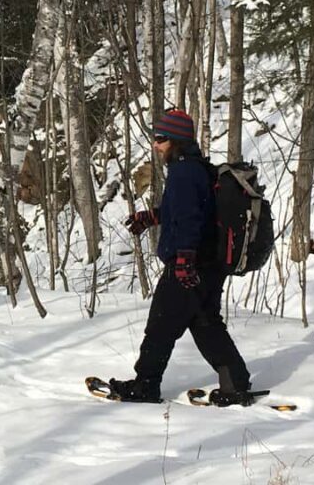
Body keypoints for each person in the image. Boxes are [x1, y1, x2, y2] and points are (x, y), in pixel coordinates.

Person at [110, 109, 253, 406]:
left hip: (189, 265)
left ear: (176, 140)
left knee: (161, 325)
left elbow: (189, 218)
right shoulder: (197, 168)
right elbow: (188, 210)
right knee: (206, 324)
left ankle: (145, 385)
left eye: (161, 138)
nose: (156, 145)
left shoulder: (184, 172)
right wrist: (151, 217)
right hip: (210, 265)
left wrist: (185, 260)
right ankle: (235, 383)